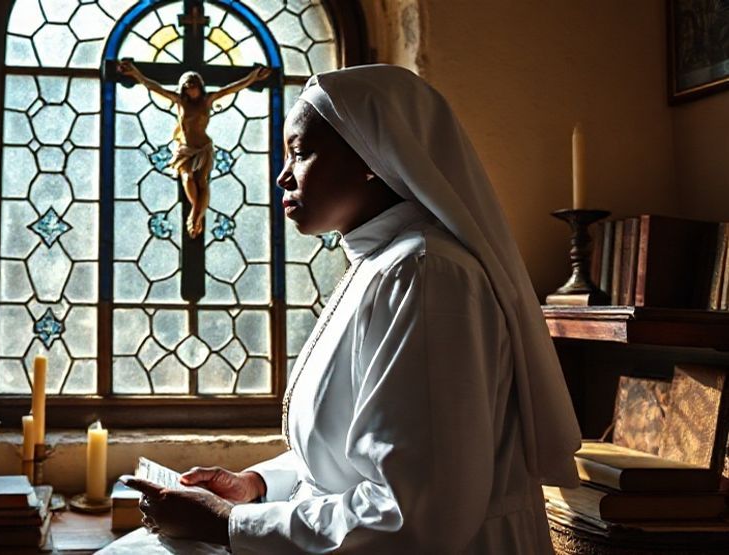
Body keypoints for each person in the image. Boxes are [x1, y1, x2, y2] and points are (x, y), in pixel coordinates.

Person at [124, 64, 581, 553]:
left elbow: (412, 513)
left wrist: (229, 525)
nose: (282, 176)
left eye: (299, 153)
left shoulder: (425, 275)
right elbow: (348, 459)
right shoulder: (381, 265)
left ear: (371, 154)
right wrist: (256, 485)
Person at [118, 60, 272, 238]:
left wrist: (253, 77)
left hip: (203, 148)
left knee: (202, 182)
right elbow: (155, 87)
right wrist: (136, 74)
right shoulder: (180, 102)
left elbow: (232, 88)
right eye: (187, 86)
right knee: (186, 176)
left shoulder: (208, 100)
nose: (191, 89)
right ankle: (195, 213)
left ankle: (196, 217)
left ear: (200, 87)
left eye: (194, 85)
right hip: (185, 149)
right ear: (183, 88)